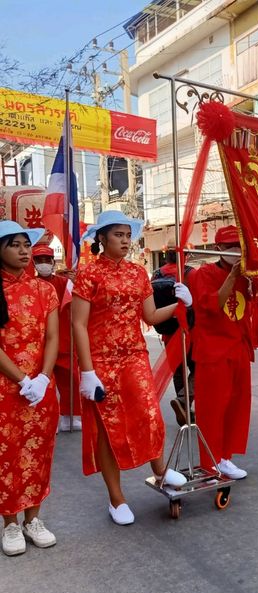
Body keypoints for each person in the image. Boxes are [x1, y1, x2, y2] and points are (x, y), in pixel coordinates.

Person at [72, 211, 189, 526]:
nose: (125, 240)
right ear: (102, 238)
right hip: (100, 361)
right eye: (118, 235)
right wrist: (87, 371)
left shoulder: (138, 273)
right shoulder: (89, 274)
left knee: (149, 414)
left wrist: (180, 305)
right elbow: (78, 324)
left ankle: (161, 471)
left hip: (134, 356)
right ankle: (116, 499)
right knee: (109, 431)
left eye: (128, 235)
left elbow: (149, 317)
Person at [0, 222, 60, 556]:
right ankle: (9, 523)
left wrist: (42, 378)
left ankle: (32, 519)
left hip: (40, 386)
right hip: (5, 387)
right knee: (6, 455)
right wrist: (21, 380)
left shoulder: (44, 290)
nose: (24, 251)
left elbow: (52, 337)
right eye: (15, 245)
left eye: (26, 244)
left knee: (38, 454)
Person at [190, 225, 253, 480]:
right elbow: (214, 304)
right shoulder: (202, 274)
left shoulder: (246, 275)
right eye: (230, 248)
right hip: (213, 351)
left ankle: (226, 457)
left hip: (238, 348)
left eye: (239, 248)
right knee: (213, 409)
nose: (236, 253)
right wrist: (231, 277)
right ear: (219, 249)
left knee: (236, 407)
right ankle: (209, 461)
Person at [32, 244, 82, 432]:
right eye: (39, 260)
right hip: (40, 343)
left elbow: (80, 301)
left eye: (47, 259)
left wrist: (76, 282)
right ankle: (46, 418)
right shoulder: (30, 284)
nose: (43, 263)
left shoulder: (64, 283)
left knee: (71, 380)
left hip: (65, 339)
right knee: (42, 381)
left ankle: (69, 415)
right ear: (34, 263)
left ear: (53, 262)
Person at [150, 244, 195, 426]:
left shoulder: (156, 274)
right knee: (198, 369)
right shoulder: (190, 273)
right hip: (189, 330)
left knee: (178, 371)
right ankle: (184, 401)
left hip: (167, 331)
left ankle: (182, 404)